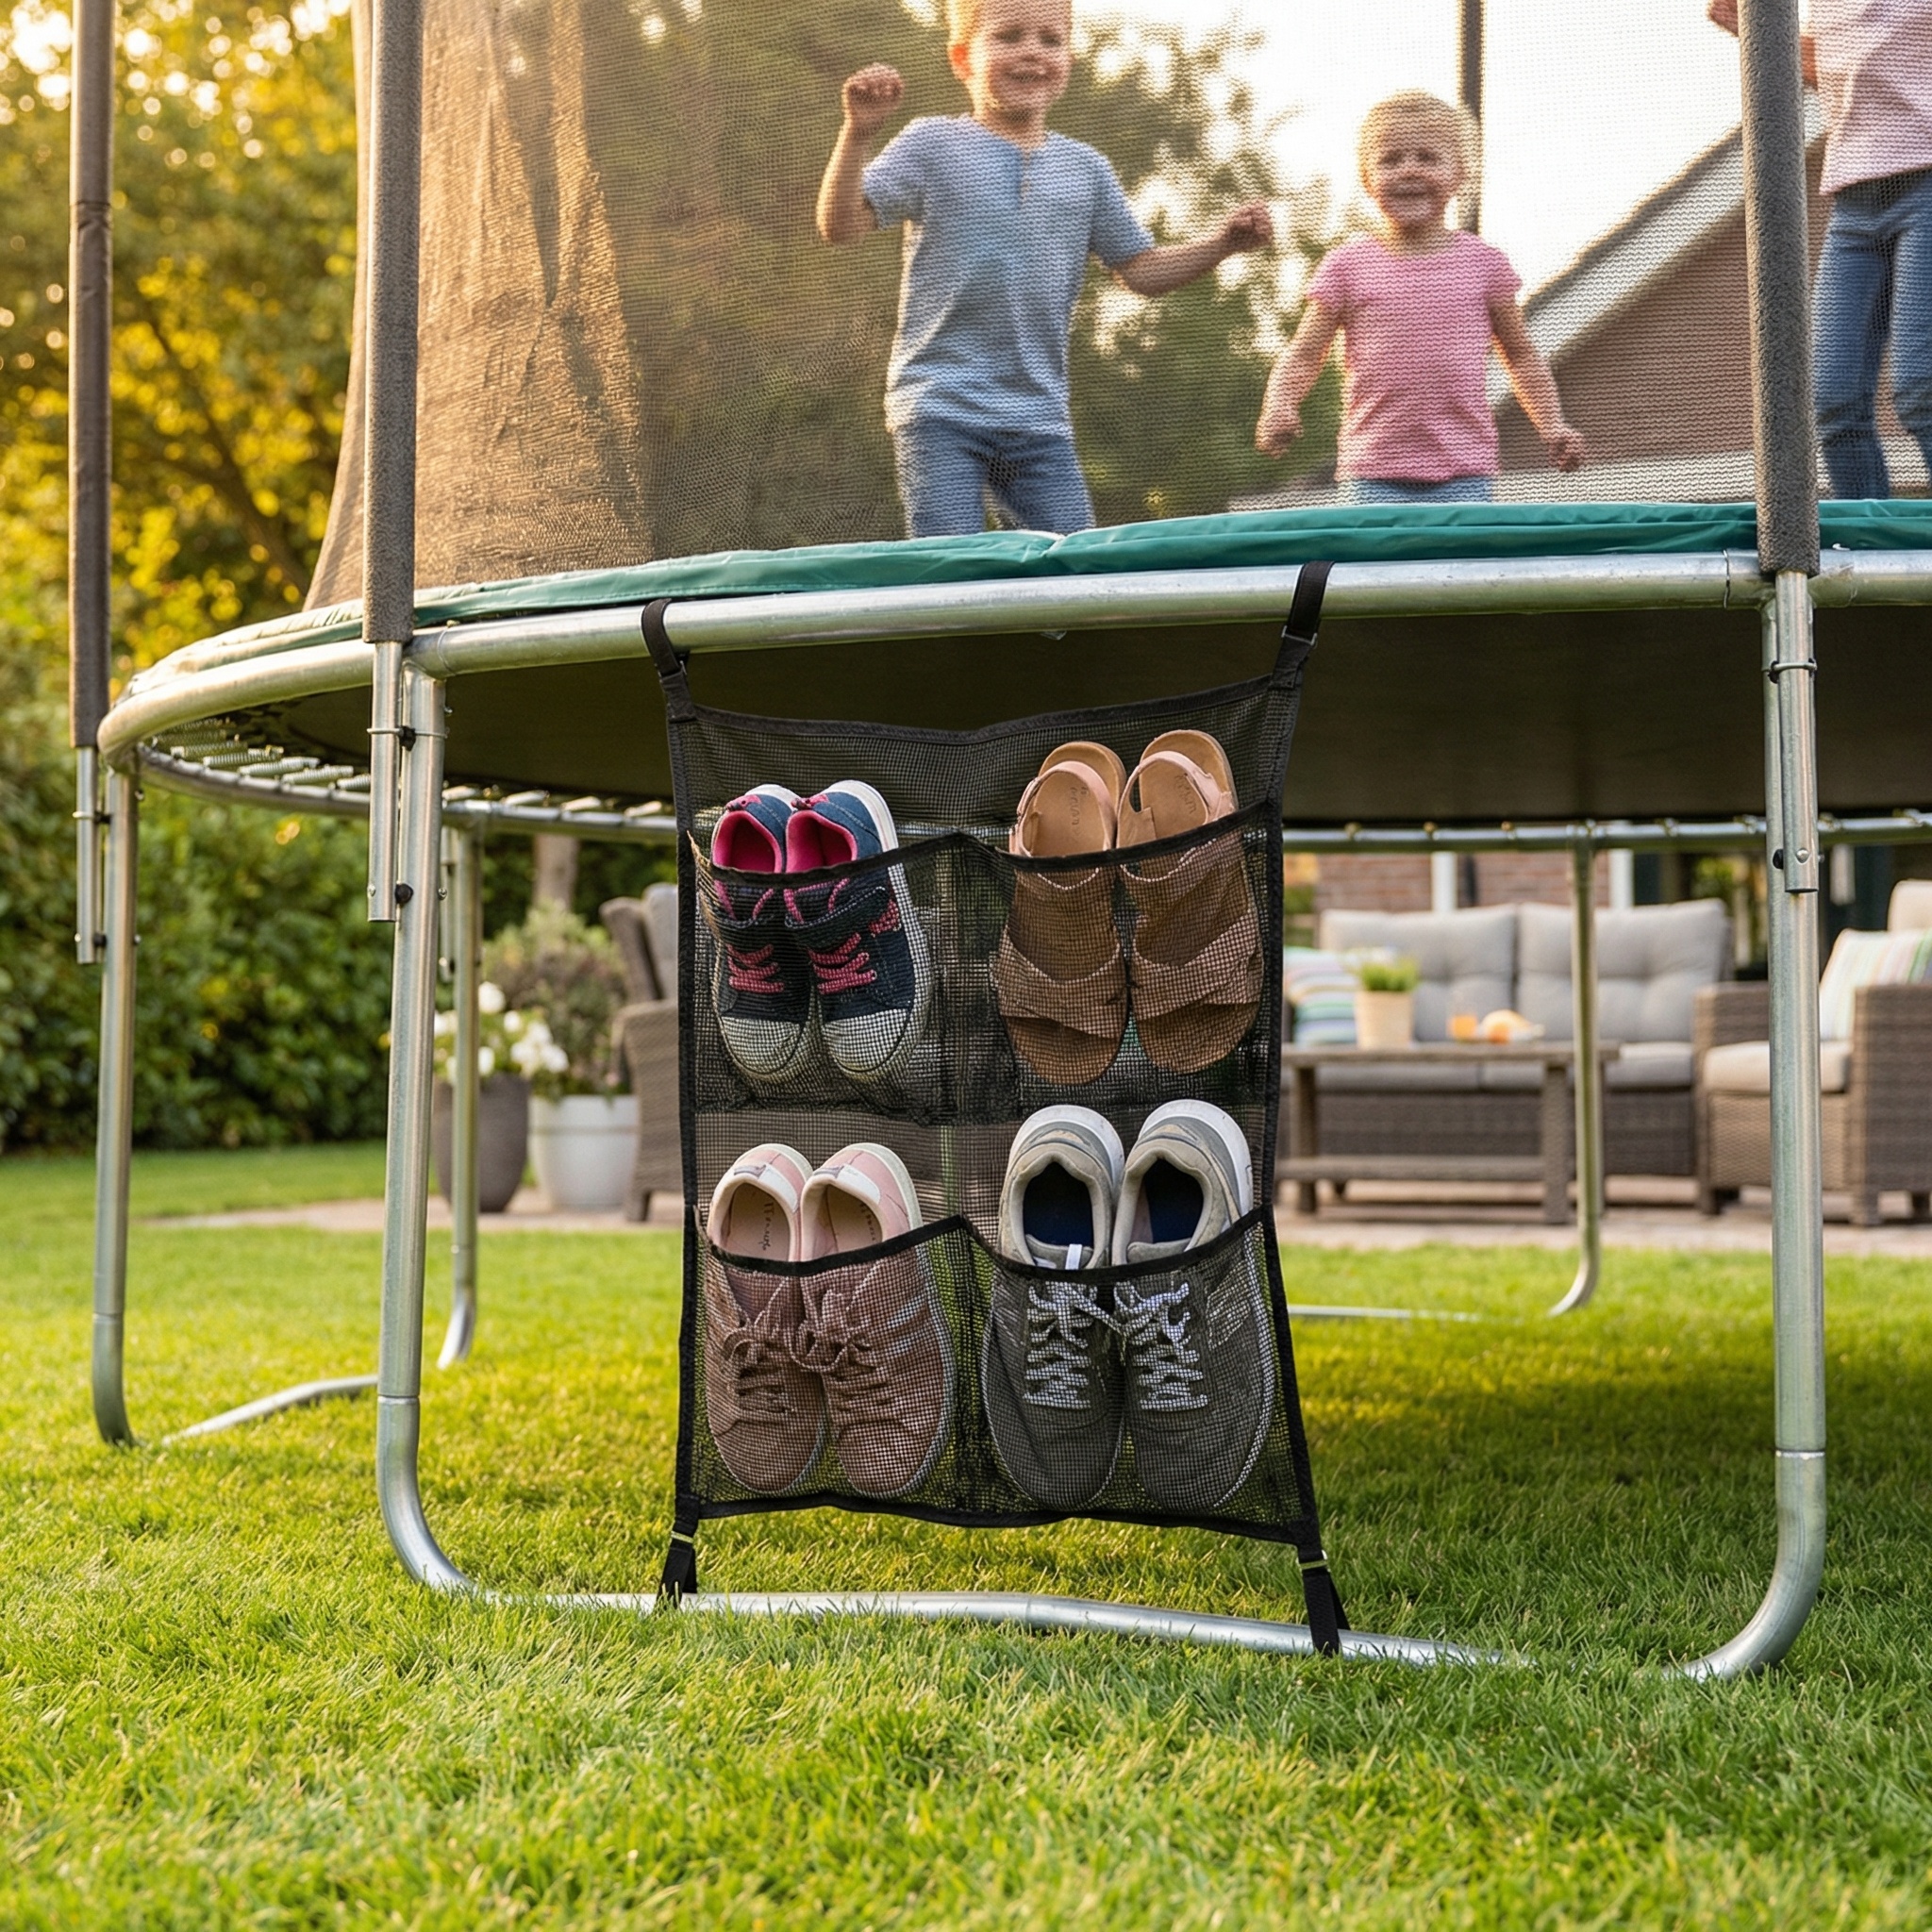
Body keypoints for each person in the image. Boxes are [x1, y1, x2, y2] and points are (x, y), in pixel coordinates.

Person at [816, 0, 1274, 539]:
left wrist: (1221, 244)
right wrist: (857, 134)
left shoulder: (1086, 170)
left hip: (1038, 419)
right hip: (940, 404)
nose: (1032, 51)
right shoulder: (931, 144)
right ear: (963, 59)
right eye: (1009, 36)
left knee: (1071, 565)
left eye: (1050, 40)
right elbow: (841, 224)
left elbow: (1141, 271)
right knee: (952, 563)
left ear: (1069, 62)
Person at [1255, 90, 1584, 503]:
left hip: (1465, 471)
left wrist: (1552, 425)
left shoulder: (1485, 265)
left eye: (1427, 158)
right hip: (1373, 471)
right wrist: (1280, 404)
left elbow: (1520, 355)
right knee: (1374, 568)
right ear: (1366, 178)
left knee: (1458, 568)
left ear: (1460, 173)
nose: (1408, 170)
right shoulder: (1347, 266)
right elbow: (1305, 353)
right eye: (1390, 160)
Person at [1709, 0, 1932, 499]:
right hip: (1854, 208)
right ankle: (1870, 548)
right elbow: (1841, 75)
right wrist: (1754, 30)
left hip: (1927, 188)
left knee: (1923, 387)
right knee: (1832, 397)